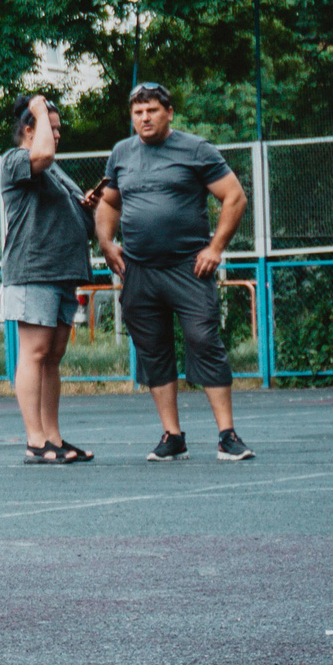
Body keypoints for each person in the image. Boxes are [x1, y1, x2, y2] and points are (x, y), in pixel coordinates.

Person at [94, 84, 254, 462]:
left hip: (188, 267)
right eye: (138, 113)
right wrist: (106, 242)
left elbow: (234, 197)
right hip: (140, 269)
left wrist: (215, 248)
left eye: (151, 110)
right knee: (153, 351)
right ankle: (172, 436)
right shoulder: (121, 153)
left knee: (203, 340)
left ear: (168, 112)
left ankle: (227, 436)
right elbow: (109, 202)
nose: (144, 118)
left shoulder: (196, 149)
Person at [0, 93, 95, 463]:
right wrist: (38, 108)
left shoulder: (55, 171)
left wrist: (88, 204)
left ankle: (53, 437)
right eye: (49, 129)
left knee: (53, 356)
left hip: (62, 272)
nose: (56, 136)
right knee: (34, 353)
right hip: (32, 270)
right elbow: (41, 155)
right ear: (29, 129)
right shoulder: (15, 161)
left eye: (57, 130)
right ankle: (34, 441)